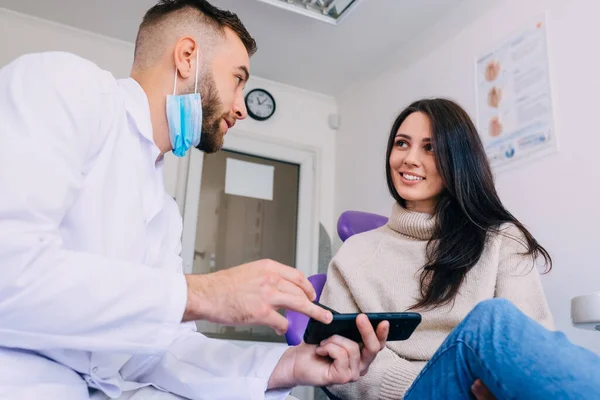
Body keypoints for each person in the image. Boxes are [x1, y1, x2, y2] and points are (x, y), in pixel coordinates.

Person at [0, 1, 389, 399]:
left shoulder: (164, 212)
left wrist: (289, 366)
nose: (240, 107)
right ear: (187, 57)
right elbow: (9, 268)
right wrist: (205, 293)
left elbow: (158, 349)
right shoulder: (67, 85)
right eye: (237, 79)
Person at [320, 98, 554, 399]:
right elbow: (337, 356)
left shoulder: (502, 240)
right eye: (402, 144)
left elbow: (532, 347)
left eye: (430, 148)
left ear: (459, 159)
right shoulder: (354, 254)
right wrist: (438, 389)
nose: (410, 159)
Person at [404, 298, 600, 399]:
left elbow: (535, 345)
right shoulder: (373, 247)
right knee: (489, 318)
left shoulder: (503, 237)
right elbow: (375, 372)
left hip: (497, 385)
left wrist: (505, 387)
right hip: (421, 391)